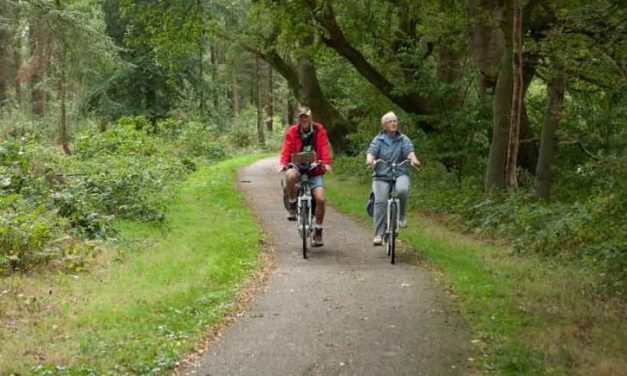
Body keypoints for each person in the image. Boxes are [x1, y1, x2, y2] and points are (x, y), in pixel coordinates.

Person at [278, 106, 332, 247]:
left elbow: (324, 147)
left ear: (311, 118)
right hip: (298, 167)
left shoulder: (319, 130)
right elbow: (286, 149)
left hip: (314, 169)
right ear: (298, 119)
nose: (304, 120)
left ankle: (318, 230)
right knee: (289, 176)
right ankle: (292, 204)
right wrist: (283, 163)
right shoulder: (292, 132)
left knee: (320, 198)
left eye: (306, 117)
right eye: (301, 117)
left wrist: (326, 163)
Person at [365, 111, 420, 246]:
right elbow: (371, 153)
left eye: (395, 121)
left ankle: (401, 216)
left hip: (400, 172)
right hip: (381, 175)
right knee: (381, 201)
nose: (393, 123)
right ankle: (378, 233)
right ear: (384, 125)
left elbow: (409, 152)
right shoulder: (379, 140)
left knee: (402, 190)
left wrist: (414, 160)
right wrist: (371, 160)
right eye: (390, 121)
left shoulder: (403, 139)